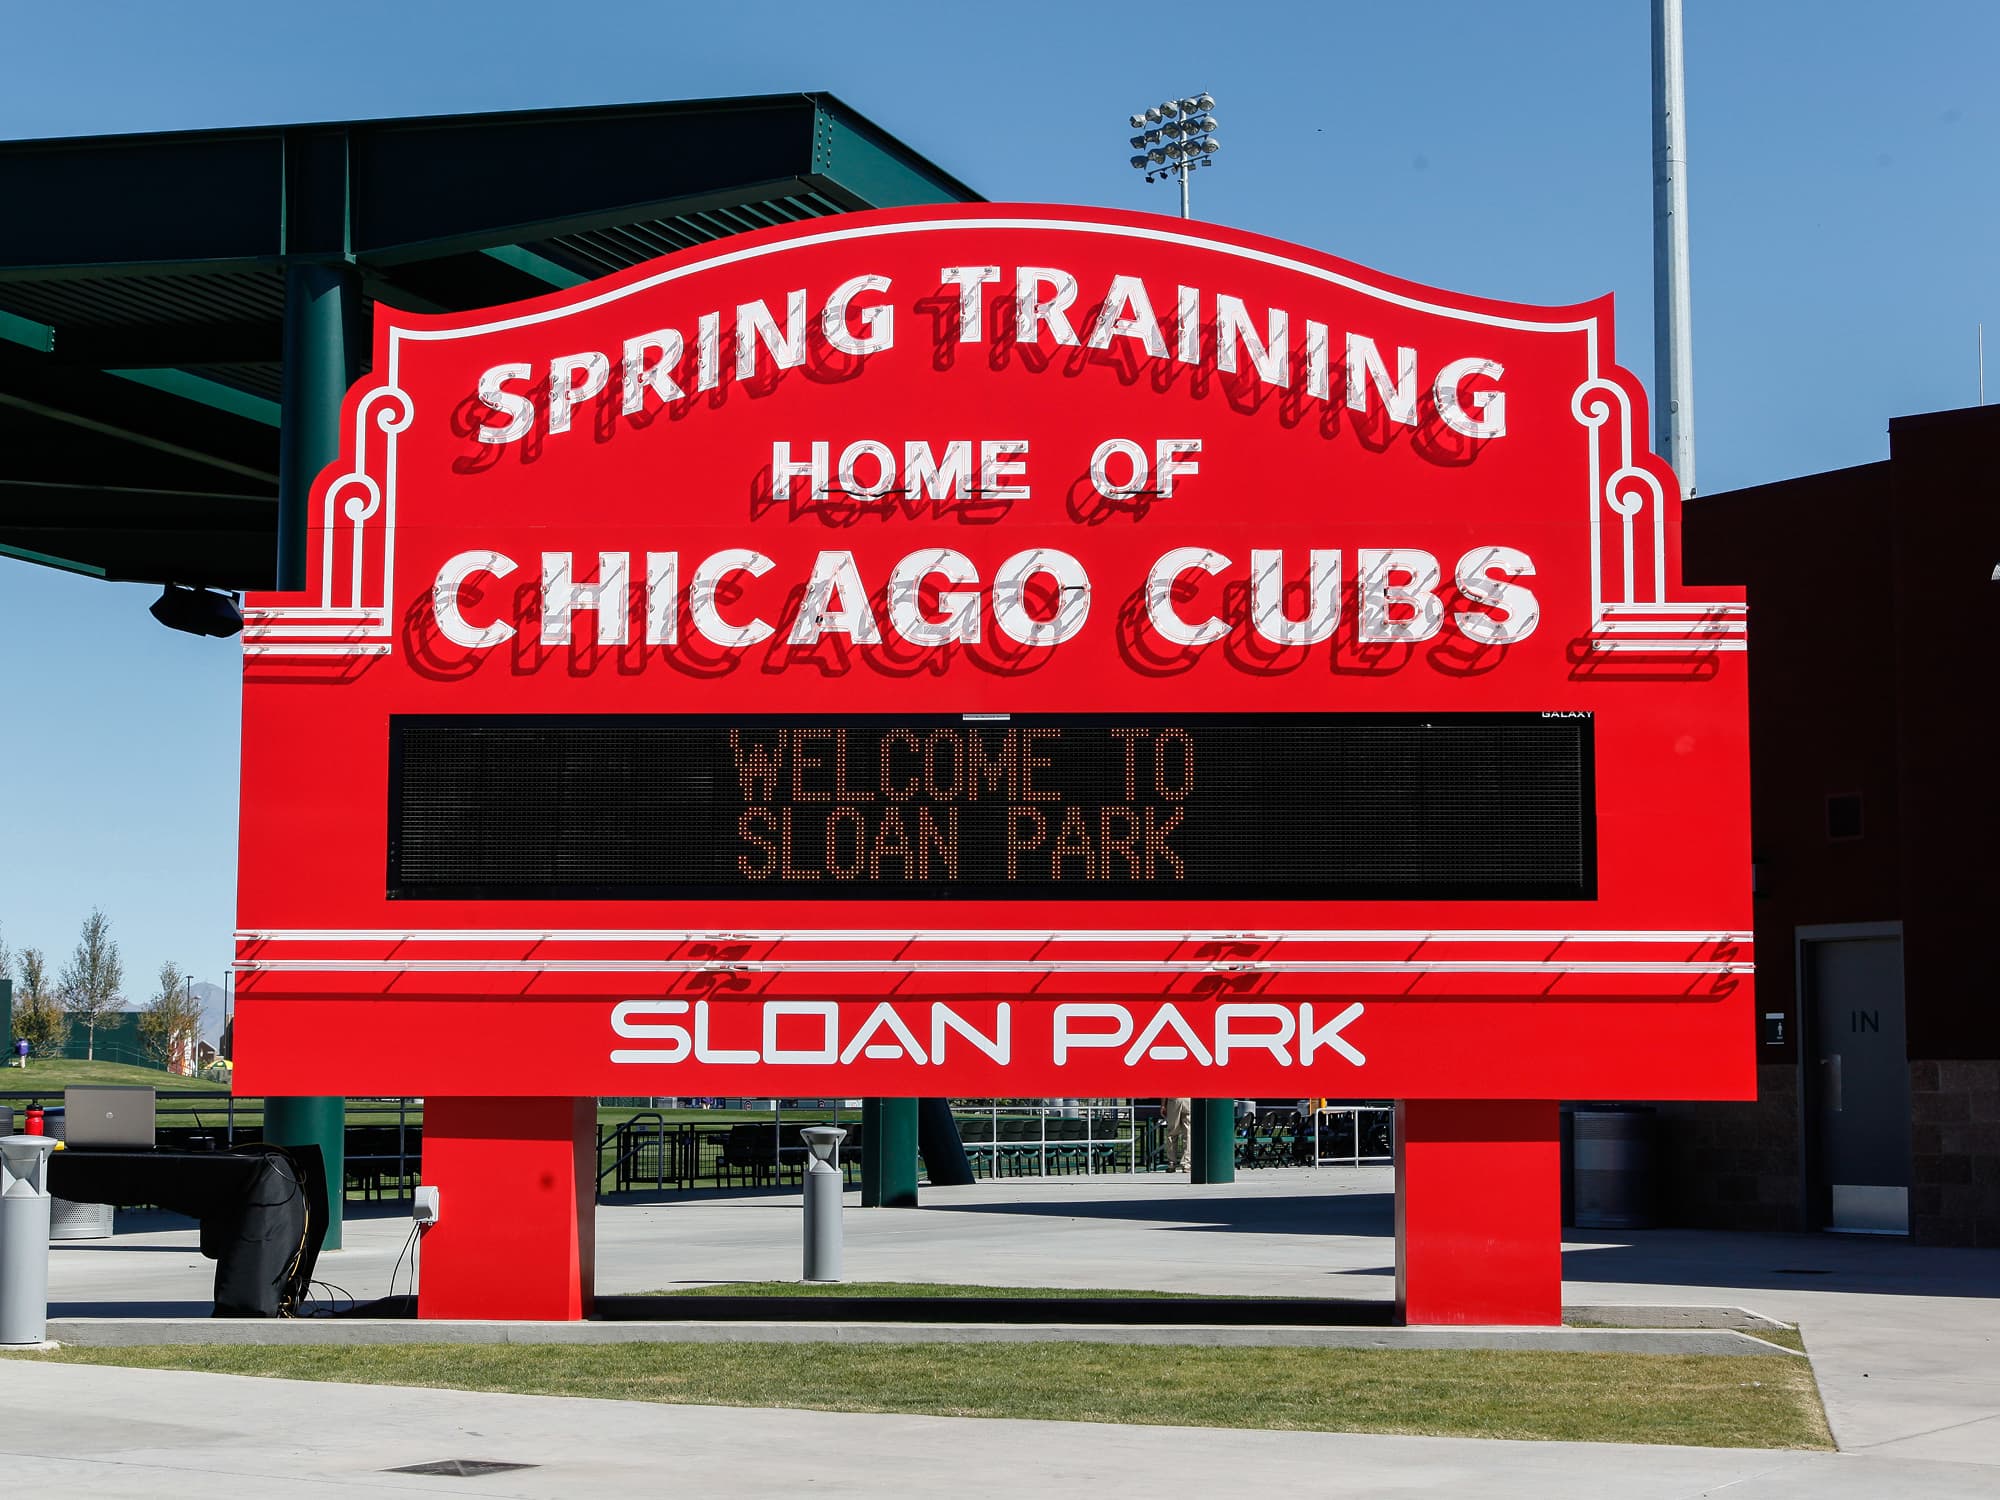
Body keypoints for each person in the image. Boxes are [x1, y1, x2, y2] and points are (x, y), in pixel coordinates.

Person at [1162, 1096, 1191, 1171]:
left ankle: (1172, 1163)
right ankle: (1186, 1163)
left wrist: (1163, 1105)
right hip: (1188, 1100)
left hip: (1174, 1099)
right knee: (1188, 1134)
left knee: (1172, 1133)